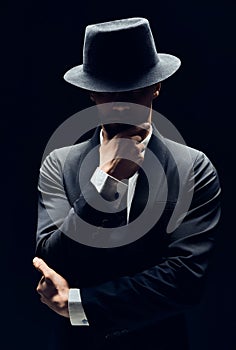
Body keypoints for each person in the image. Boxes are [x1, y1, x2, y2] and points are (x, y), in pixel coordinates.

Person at [33, 17, 221, 350]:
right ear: (91, 92)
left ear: (156, 86)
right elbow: (53, 259)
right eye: (108, 90)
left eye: (133, 87)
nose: (121, 102)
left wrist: (78, 304)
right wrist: (105, 181)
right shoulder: (59, 164)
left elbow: (185, 280)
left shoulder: (193, 167)